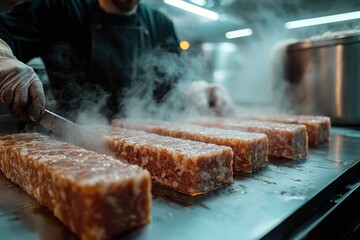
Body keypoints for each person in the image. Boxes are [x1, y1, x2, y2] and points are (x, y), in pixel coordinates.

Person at [0, 0, 234, 123]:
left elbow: (176, 73)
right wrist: (4, 59)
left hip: (144, 144)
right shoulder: (60, 8)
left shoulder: (160, 24)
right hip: (70, 140)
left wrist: (198, 87)